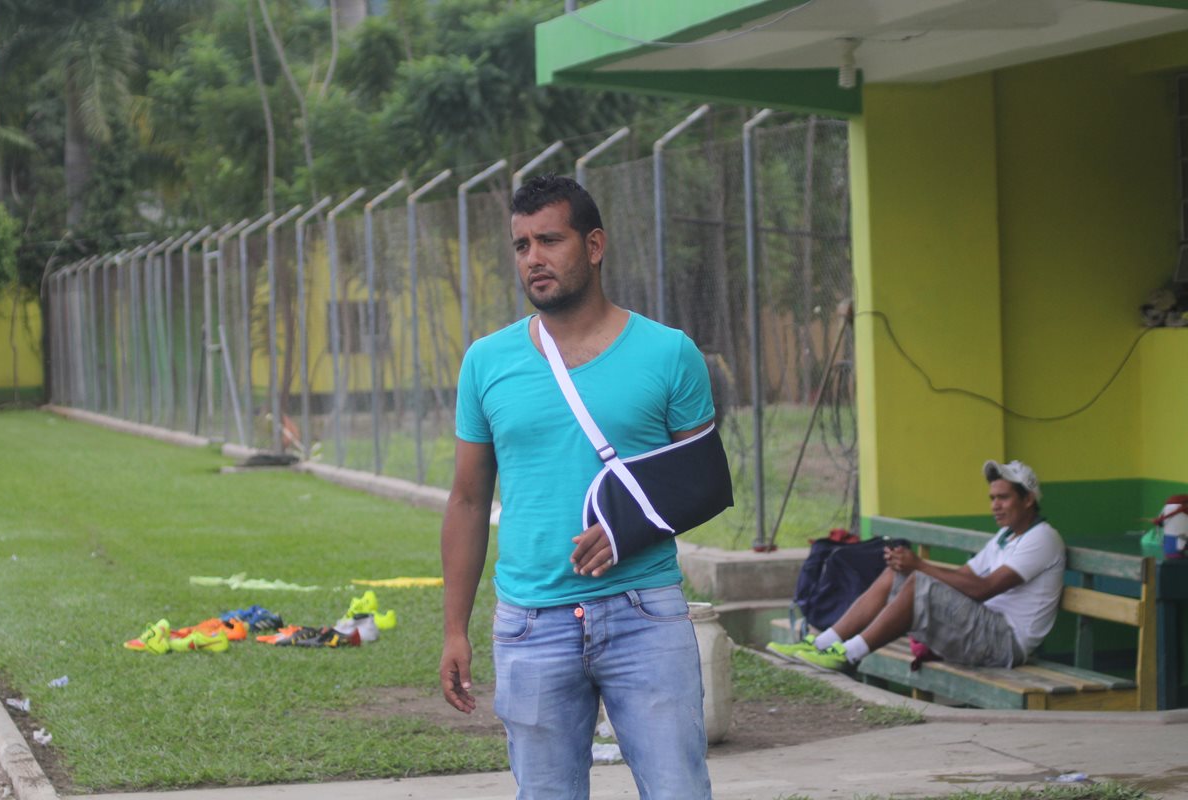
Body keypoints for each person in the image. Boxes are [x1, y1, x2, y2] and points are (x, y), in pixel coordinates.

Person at [440, 174, 716, 799]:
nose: (533, 259)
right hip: (530, 622)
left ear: (593, 246)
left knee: (679, 792)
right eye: (521, 246)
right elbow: (467, 499)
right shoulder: (487, 362)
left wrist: (628, 530)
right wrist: (455, 628)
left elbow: (704, 480)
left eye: (549, 240)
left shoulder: (670, 353)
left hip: (644, 612)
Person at [771, 459, 1065, 671]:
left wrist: (920, 566)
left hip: (1004, 644)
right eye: (992, 498)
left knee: (916, 581)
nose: (994, 506)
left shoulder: (1042, 538)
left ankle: (848, 655)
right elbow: (964, 576)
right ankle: (822, 643)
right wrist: (909, 566)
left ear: (1028, 500)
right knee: (896, 574)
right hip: (982, 628)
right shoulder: (1005, 537)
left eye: (1003, 498)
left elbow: (983, 588)